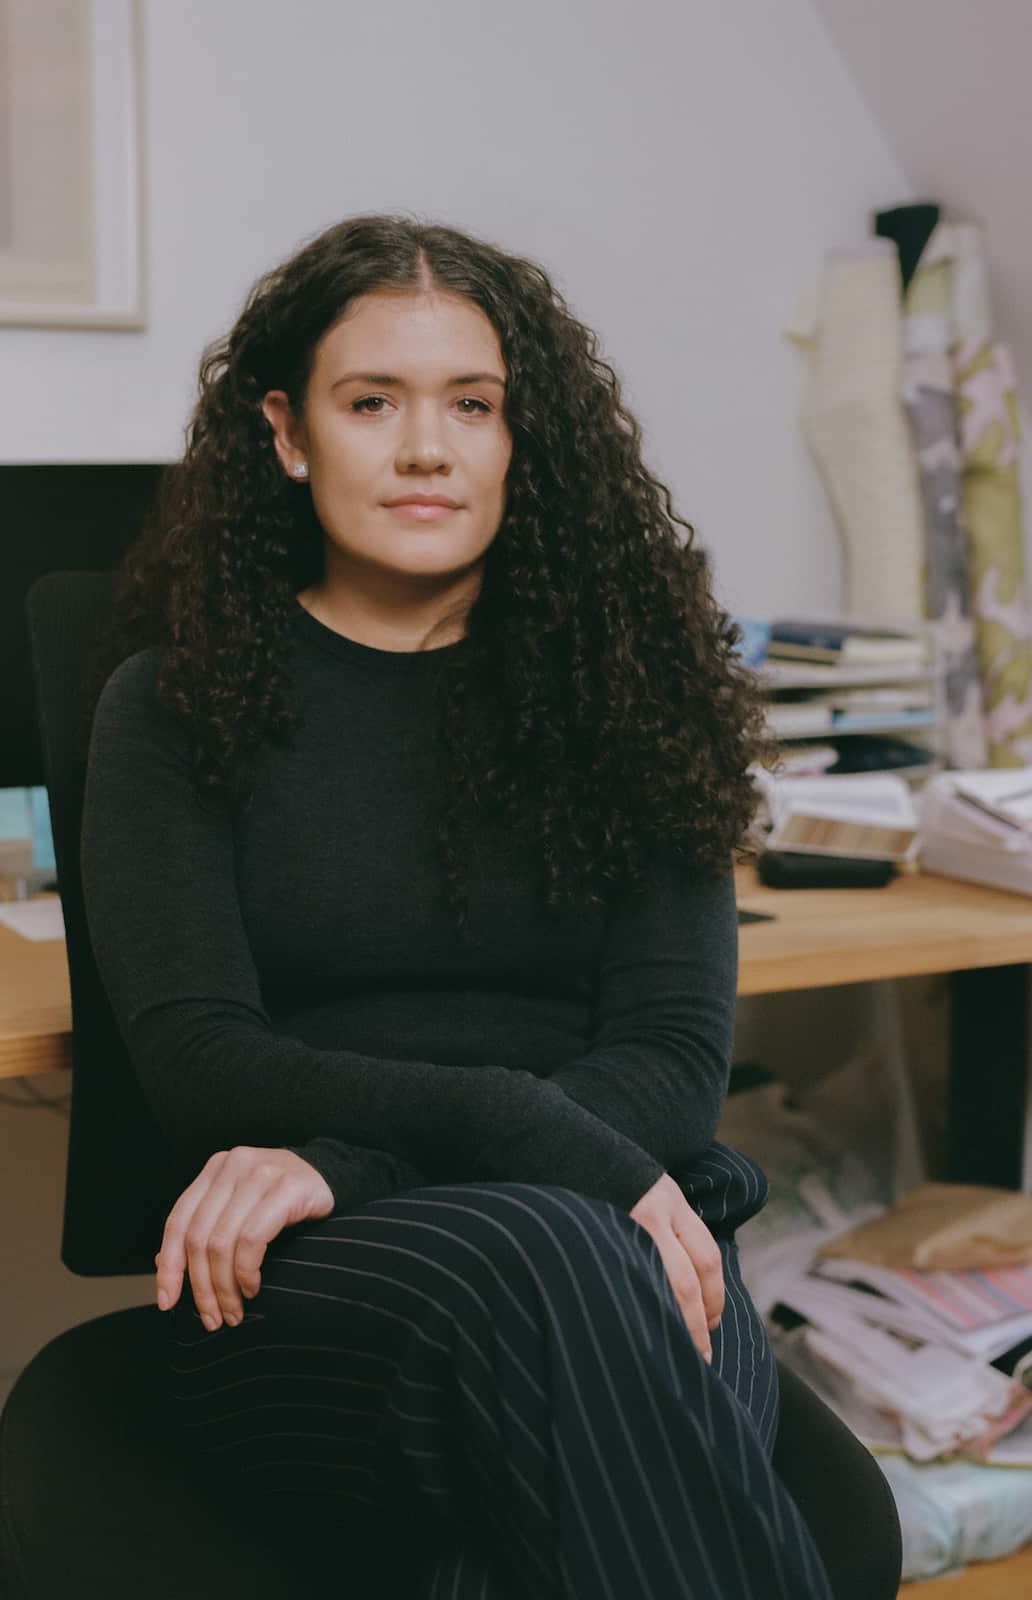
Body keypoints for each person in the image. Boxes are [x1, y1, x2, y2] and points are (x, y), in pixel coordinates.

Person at [81, 213, 831, 1599]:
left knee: (538, 1502)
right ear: (288, 434)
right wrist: (525, 1134)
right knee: (569, 1267)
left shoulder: (634, 694)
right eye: (373, 402)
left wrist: (364, 1157)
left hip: (600, 1214)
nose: (427, 447)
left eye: (472, 406)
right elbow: (200, 1065)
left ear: (519, 439)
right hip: (312, 1282)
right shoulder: (174, 705)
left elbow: (674, 1061)